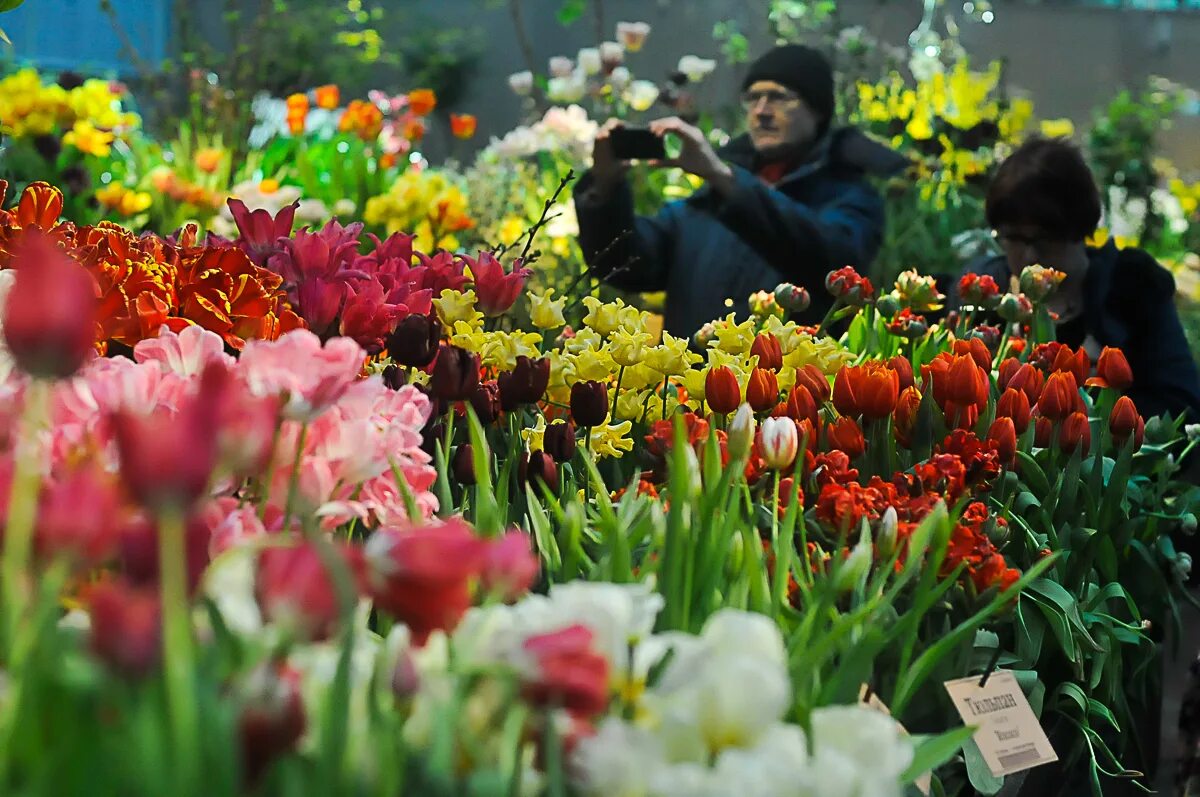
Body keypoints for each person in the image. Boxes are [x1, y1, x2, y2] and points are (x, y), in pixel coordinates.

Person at [574, 44, 906, 338]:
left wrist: (725, 178)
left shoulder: (849, 195)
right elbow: (628, 266)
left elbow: (833, 257)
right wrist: (605, 187)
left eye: (779, 97)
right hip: (689, 399)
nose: (761, 111)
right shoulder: (707, 201)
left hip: (785, 400)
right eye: (753, 98)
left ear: (818, 111)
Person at [958, 136, 1200, 421]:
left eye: (1045, 239)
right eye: (1013, 238)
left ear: (1080, 230)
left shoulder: (1132, 287)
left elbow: (1184, 405)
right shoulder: (985, 293)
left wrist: (1096, 398)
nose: (1029, 256)